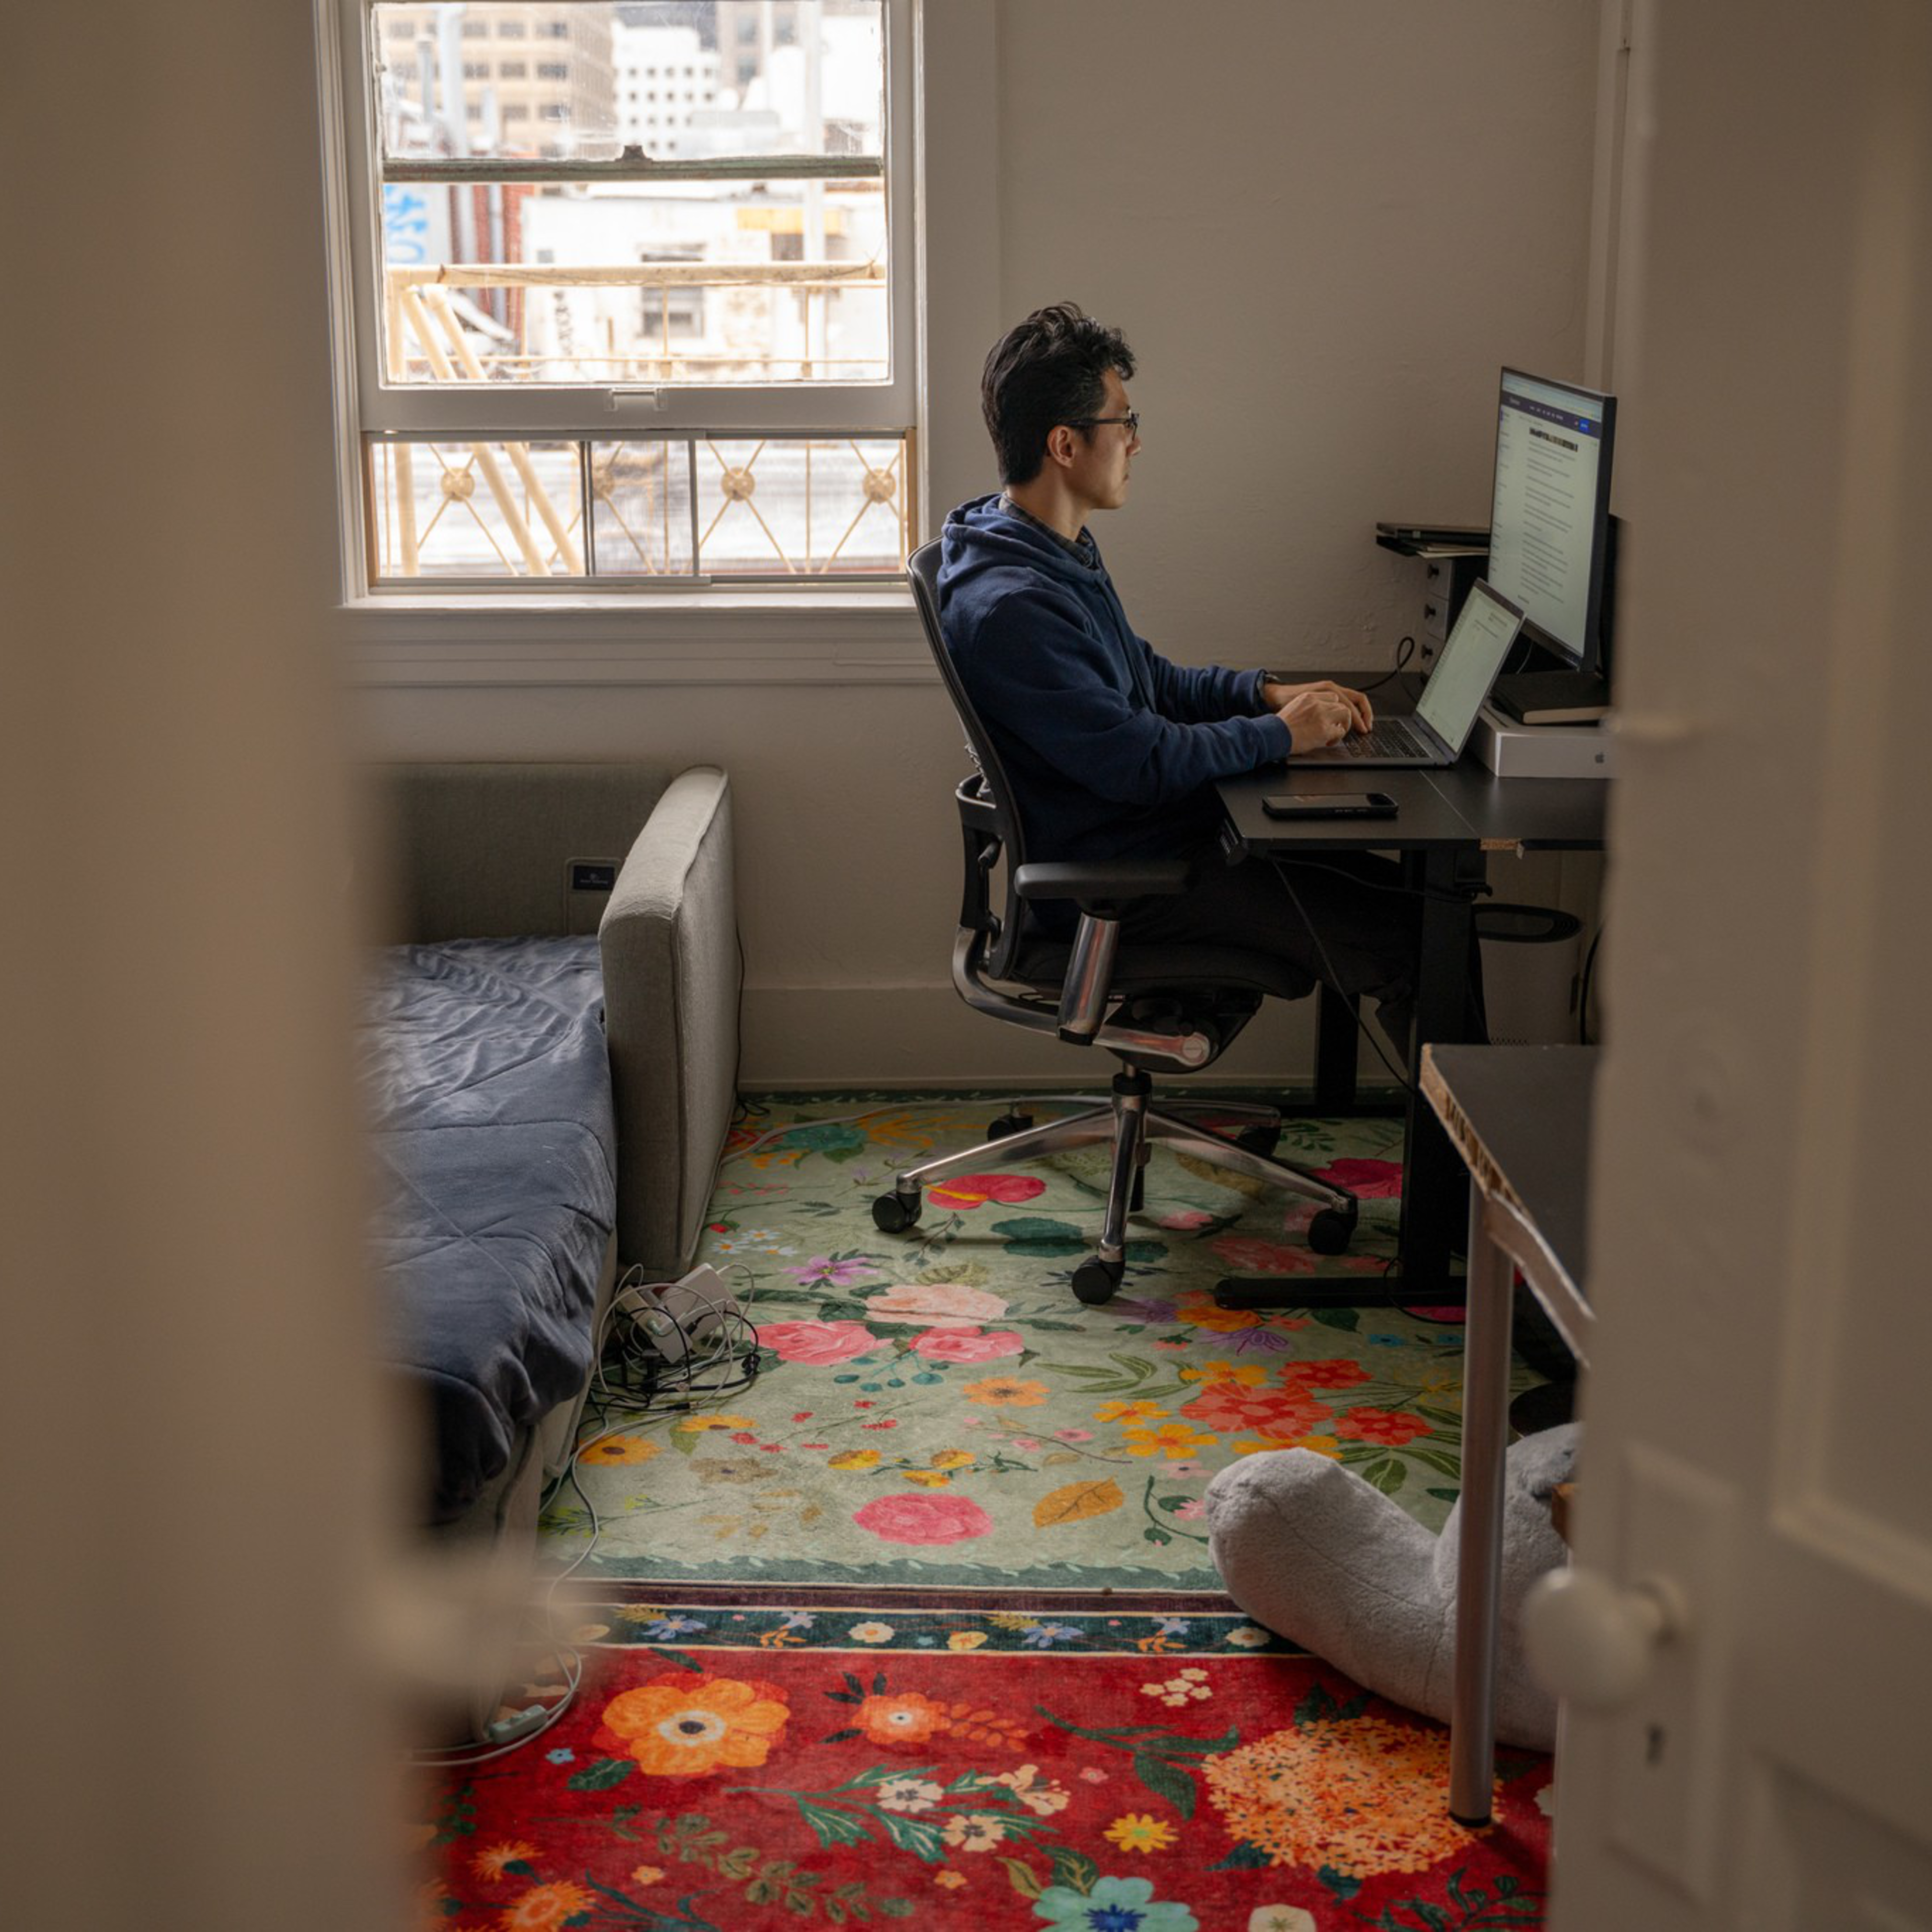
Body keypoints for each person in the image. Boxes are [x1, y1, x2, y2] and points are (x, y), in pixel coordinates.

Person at [936, 301, 1422, 1059]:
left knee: (1409, 899)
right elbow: (1139, 759)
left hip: (1152, 843)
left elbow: (1146, 680)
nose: (1136, 442)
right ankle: (1474, 1176)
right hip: (1124, 884)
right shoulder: (1015, 606)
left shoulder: (1038, 547)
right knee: (1414, 940)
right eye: (1122, 423)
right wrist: (1279, 736)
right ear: (1065, 444)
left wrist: (1267, 695)